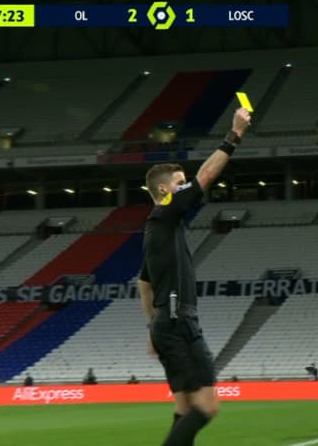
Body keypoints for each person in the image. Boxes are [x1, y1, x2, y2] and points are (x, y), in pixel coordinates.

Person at [138, 107, 251, 446]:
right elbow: (205, 176)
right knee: (206, 405)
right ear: (163, 190)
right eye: (178, 182)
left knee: (185, 406)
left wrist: (152, 328)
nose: (184, 185)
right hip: (178, 321)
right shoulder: (166, 210)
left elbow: (144, 283)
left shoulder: (159, 228)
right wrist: (234, 136)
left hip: (167, 322)